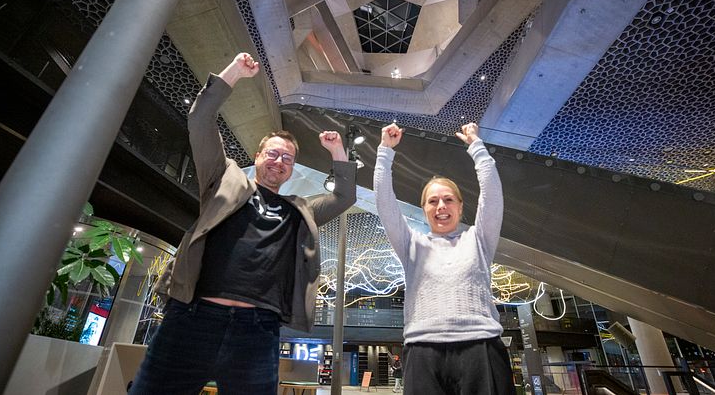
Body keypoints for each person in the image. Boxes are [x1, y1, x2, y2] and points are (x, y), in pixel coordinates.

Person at [129, 52, 357, 394]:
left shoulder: (300, 209)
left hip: (257, 330)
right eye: (273, 153)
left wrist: (338, 150)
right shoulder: (222, 179)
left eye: (288, 158)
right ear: (258, 156)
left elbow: (344, 197)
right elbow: (201, 118)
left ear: (292, 169)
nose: (280, 161)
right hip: (192, 319)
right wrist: (234, 71)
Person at [374, 122, 512, 395]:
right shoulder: (411, 243)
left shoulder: (479, 238)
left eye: (448, 200)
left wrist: (477, 147)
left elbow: (493, 196)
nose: (441, 207)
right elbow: (384, 203)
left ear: (460, 206)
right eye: (432, 201)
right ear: (423, 209)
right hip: (422, 350)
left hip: (480, 345)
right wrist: (384, 152)